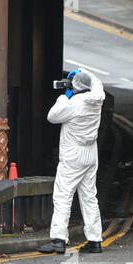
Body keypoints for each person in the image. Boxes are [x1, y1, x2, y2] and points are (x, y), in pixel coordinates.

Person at [38, 68, 106, 254]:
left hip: (73, 155)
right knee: (89, 197)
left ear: (75, 87)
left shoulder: (73, 103)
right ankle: (94, 240)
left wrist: (64, 96)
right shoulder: (97, 98)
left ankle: (59, 240)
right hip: (91, 154)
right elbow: (97, 82)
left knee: (63, 195)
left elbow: (52, 116)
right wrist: (83, 73)